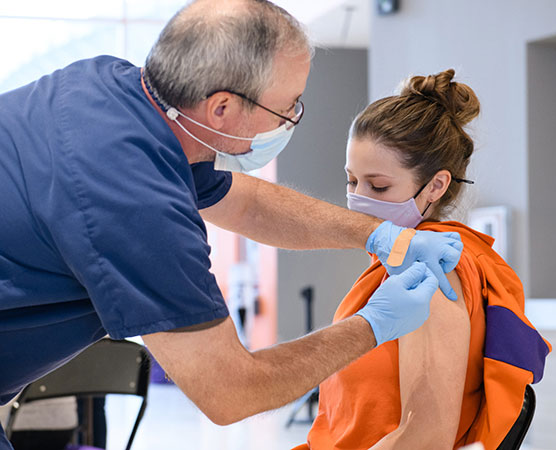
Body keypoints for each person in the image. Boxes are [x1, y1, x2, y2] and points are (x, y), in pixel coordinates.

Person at [0, 1, 464, 448]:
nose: (293, 120)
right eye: (288, 108)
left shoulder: (107, 89)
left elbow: (242, 203)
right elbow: (231, 391)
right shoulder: (136, 205)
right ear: (222, 108)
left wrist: (375, 234)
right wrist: (372, 325)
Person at [294, 69, 551, 450]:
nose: (358, 199)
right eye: (352, 181)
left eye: (378, 186)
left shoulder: (431, 269)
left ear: (436, 185)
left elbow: (425, 437)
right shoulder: (402, 260)